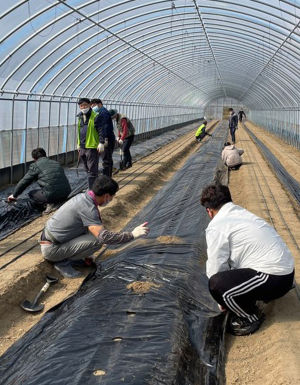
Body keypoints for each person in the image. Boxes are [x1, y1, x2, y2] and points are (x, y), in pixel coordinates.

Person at [200, 184, 294, 336]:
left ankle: (250, 317)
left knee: (217, 284)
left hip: (275, 279)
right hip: (285, 272)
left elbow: (216, 267)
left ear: (209, 211)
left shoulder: (217, 226)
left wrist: (222, 297)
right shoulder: (242, 213)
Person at [39, 175, 150, 278]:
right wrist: (132, 235)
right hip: (52, 249)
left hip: (55, 240)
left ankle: (71, 257)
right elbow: (104, 237)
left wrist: (88, 252)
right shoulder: (88, 207)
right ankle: (63, 262)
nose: (111, 200)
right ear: (106, 195)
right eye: (112, 196)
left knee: (94, 232)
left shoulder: (84, 197)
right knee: (98, 240)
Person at [7, 148, 71, 214]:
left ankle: (51, 204)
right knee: (52, 188)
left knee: (31, 193)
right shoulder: (56, 163)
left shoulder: (35, 165)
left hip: (52, 195)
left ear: (34, 158)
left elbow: (25, 181)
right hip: (66, 192)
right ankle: (58, 201)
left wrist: (14, 195)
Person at [77, 98, 103, 189]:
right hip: (83, 147)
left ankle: (92, 190)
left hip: (92, 147)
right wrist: (78, 144)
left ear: (89, 105)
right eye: (81, 106)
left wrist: (101, 142)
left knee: (92, 169)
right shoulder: (80, 117)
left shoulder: (95, 116)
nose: (83, 107)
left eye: (85, 105)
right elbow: (79, 131)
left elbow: (101, 130)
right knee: (86, 168)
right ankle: (92, 186)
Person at [90, 99, 116, 177]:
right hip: (108, 137)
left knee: (106, 159)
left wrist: (105, 139)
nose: (92, 107)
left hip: (107, 139)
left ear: (100, 104)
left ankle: (106, 177)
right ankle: (108, 175)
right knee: (107, 158)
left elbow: (106, 127)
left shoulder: (103, 113)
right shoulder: (101, 112)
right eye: (91, 106)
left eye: (94, 105)